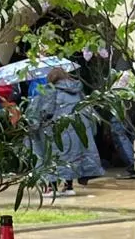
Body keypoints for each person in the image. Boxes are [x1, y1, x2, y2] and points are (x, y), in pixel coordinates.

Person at [28, 68, 105, 199]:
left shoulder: (49, 91)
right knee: (71, 158)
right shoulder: (78, 91)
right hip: (77, 131)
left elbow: (42, 112)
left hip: (57, 131)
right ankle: (69, 186)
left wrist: (32, 124)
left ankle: (52, 187)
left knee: (53, 157)